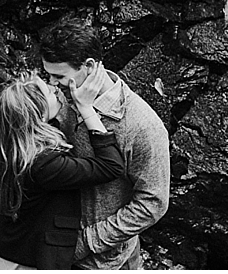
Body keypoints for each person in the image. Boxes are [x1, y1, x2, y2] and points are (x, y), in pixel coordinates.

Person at [40, 20, 171, 270]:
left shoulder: (141, 125)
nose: (52, 83)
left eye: (59, 76)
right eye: (48, 75)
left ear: (89, 66)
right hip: (52, 242)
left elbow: (153, 203)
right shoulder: (61, 99)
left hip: (103, 261)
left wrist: (87, 241)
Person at [0, 68, 127, 269]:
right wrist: (86, 108)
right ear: (38, 115)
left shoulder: (10, 141)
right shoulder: (43, 164)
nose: (54, 88)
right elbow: (111, 166)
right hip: (12, 261)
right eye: (48, 93)